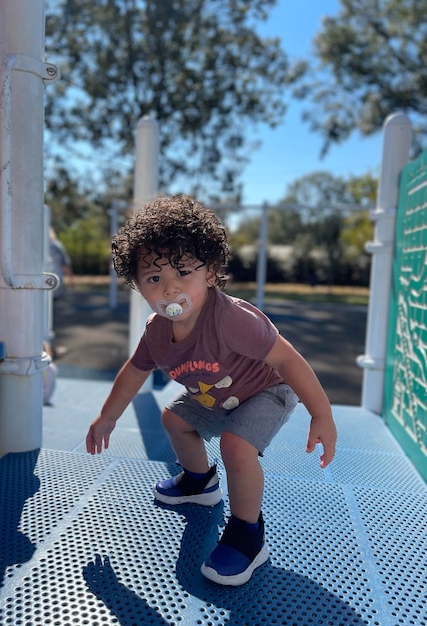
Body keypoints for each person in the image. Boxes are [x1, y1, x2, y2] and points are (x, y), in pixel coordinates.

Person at [86, 194, 337, 586]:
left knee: (237, 446)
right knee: (174, 419)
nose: (169, 289)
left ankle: (247, 536)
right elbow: (134, 372)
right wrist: (108, 417)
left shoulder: (231, 319)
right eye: (154, 278)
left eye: (182, 272)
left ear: (210, 272)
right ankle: (200, 482)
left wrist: (321, 413)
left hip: (266, 390)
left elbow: (287, 360)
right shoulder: (157, 332)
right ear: (138, 286)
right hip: (217, 395)